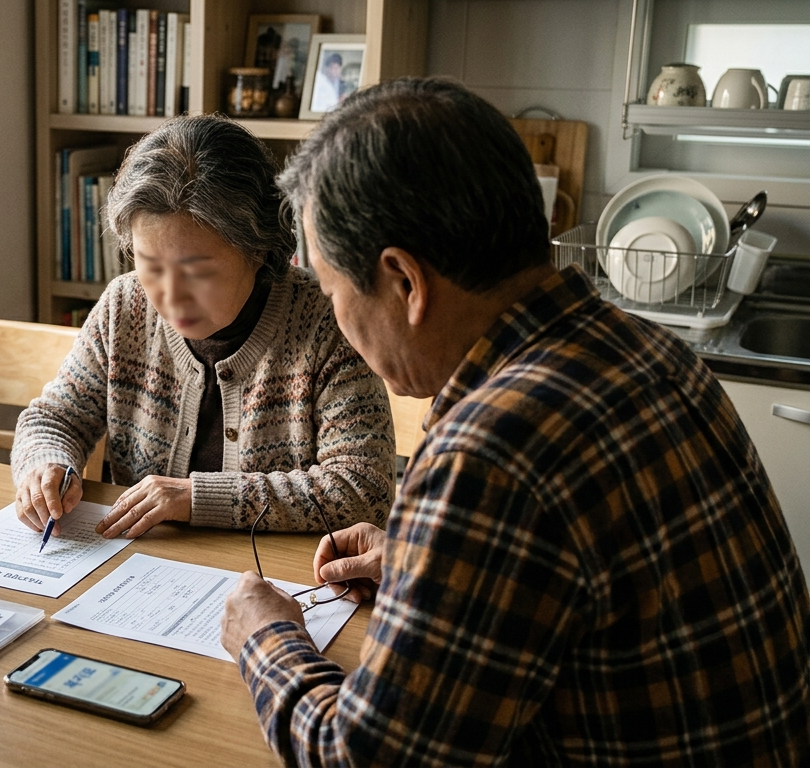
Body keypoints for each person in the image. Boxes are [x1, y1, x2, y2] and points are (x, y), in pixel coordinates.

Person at [221, 77, 810, 765]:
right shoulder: (649, 347)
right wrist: (429, 562)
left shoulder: (491, 455)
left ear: (405, 283)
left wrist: (266, 638)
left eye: (331, 291)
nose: (339, 322)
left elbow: (365, 757)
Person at [12, 114, 395, 541]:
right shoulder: (125, 306)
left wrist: (197, 497)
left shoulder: (326, 323)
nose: (171, 297)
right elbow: (54, 418)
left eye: (196, 271)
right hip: (142, 571)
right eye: (150, 266)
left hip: (281, 584)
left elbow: (365, 488)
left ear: (259, 248)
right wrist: (45, 464)